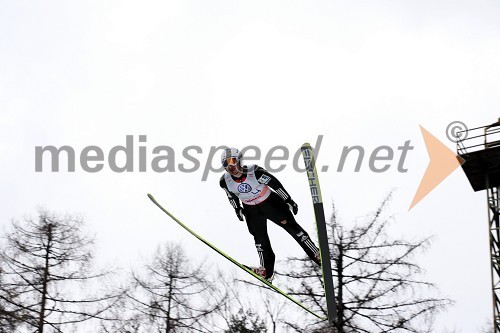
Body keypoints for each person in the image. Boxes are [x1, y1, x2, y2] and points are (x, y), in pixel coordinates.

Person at [219, 147, 321, 282]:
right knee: (260, 240)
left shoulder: (255, 172)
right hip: (251, 210)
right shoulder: (225, 181)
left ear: (239, 160)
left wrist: (288, 200)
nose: (230, 165)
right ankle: (267, 271)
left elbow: (275, 184)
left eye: (232, 161)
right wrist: (237, 209)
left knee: (292, 228)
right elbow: (231, 196)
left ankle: (316, 254)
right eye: (226, 163)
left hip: (270, 204)